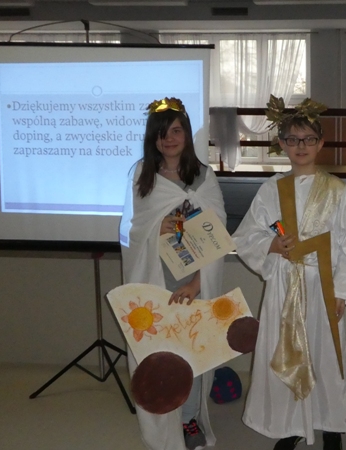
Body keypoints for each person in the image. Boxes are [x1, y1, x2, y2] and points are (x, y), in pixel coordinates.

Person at [232, 96, 346, 450]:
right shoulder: (271, 190)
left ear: (321, 143)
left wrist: (344, 291)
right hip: (284, 286)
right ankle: (290, 424)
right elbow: (246, 235)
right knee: (287, 350)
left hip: (323, 286)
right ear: (282, 144)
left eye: (308, 139)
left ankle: (332, 423)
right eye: (293, 139)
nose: (301, 146)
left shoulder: (337, 191)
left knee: (326, 355)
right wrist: (271, 245)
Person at [119, 97, 226, 450]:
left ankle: (189, 418)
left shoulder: (204, 176)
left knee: (193, 352)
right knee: (160, 351)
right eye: (162, 133)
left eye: (176, 131)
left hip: (194, 282)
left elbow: (218, 233)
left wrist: (197, 283)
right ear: (153, 138)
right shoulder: (143, 175)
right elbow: (134, 229)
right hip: (156, 279)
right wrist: (156, 228)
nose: (169, 139)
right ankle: (163, 415)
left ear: (187, 135)